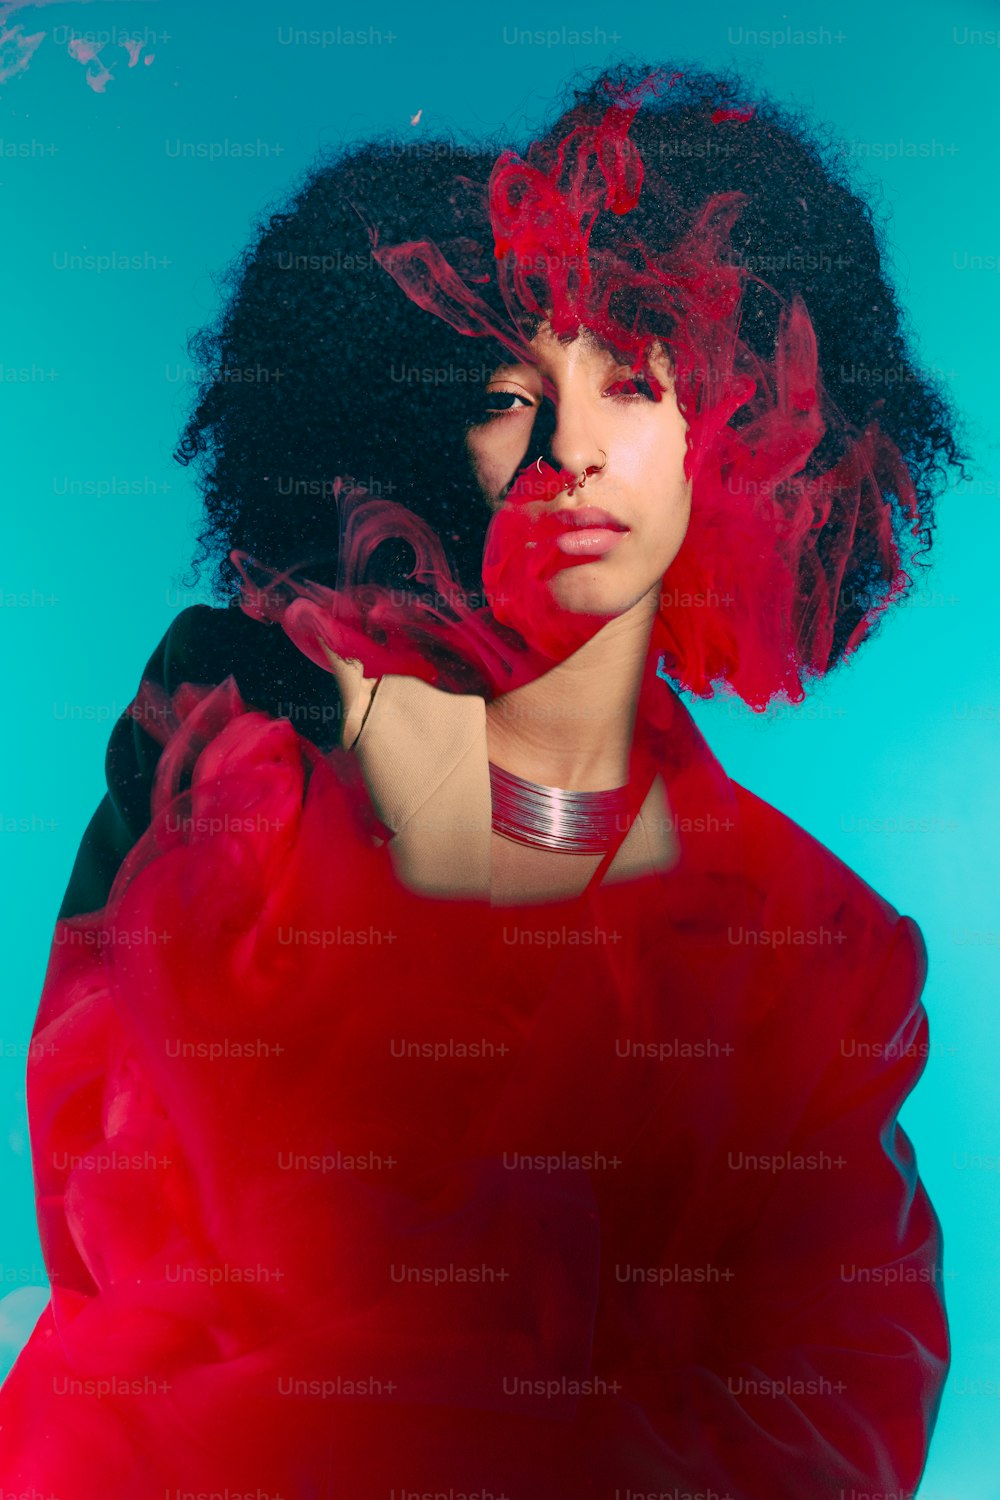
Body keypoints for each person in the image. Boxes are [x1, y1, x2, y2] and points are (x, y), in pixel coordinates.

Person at [1, 63, 965, 1498]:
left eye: (633, 381)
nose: (572, 453)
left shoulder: (812, 945)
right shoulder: (242, 741)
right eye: (516, 395)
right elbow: (141, 1204)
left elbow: (837, 1357)